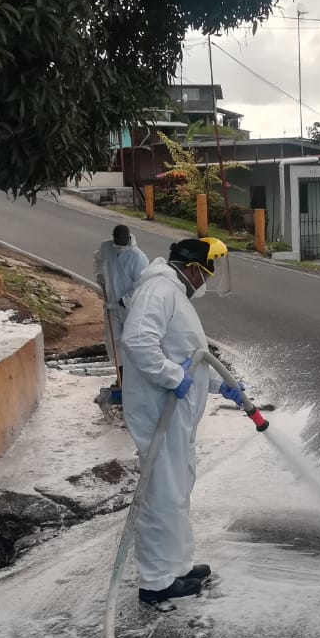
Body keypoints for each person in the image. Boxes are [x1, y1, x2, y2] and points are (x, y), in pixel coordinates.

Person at [120, 237, 245, 604]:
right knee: (161, 495)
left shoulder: (173, 293)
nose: (207, 280)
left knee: (177, 492)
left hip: (176, 416)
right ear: (194, 268)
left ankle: (178, 566)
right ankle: (156, 582)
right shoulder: (158, 290)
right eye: (208, 272)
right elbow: (138, 340)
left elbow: (191, 354)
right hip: (160, 412)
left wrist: (223, 384)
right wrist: (171, 377)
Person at [93, 224, 149, 378]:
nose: (119, 243)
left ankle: (136, 376)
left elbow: (143, 284)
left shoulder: (138, 257)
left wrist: (127, 299)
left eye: (122, 240)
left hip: (131, 308)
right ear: (113, 237)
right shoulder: (106, 248)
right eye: (116, 240)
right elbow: (98, 260)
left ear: (128, 237)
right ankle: (122, 376)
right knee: (114, 341)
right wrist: (100, 275)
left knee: (131, 341)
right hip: (111, 305)